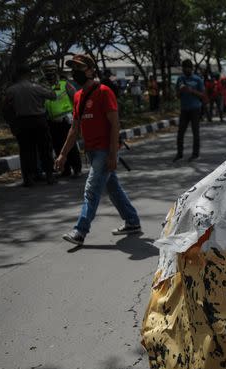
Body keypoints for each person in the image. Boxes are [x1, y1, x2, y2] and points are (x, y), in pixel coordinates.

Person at [56, 54, 140, 246]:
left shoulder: (104, 92)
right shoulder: (77, 96)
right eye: (73, 68)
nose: (75, 72)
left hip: (104, 150)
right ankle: (132, 222)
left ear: (91, 71)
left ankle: (80, 231)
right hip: (91, 151)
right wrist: (63, 154)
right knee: (114, 189)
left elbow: (114, 125)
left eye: (79, 68)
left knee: (91, 189)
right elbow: (74, 128)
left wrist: (112, 154)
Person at [4, 64, 56, 186]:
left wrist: (12, 123)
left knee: (26, 150)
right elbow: (53, 96)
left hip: (22, 122)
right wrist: (47, 85)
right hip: (39, 121)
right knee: (45, 149)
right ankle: (49, 175)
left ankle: (29, 178)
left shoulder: (11, 90)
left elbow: (6, 108)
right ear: (28, 74)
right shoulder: (36, 87)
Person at [174, 59, 204, 162]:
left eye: (187, 68)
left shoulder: (197, 79)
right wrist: (181, 91)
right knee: (180, 133)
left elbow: (203, 95)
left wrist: (192, 91)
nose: (185, 70)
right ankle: (179, 154)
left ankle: (195, 154)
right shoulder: (180, 79)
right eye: (183, 68)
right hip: (184, 109)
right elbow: (177, 95)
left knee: (195, 132)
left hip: (195, 109)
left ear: (191, 69)